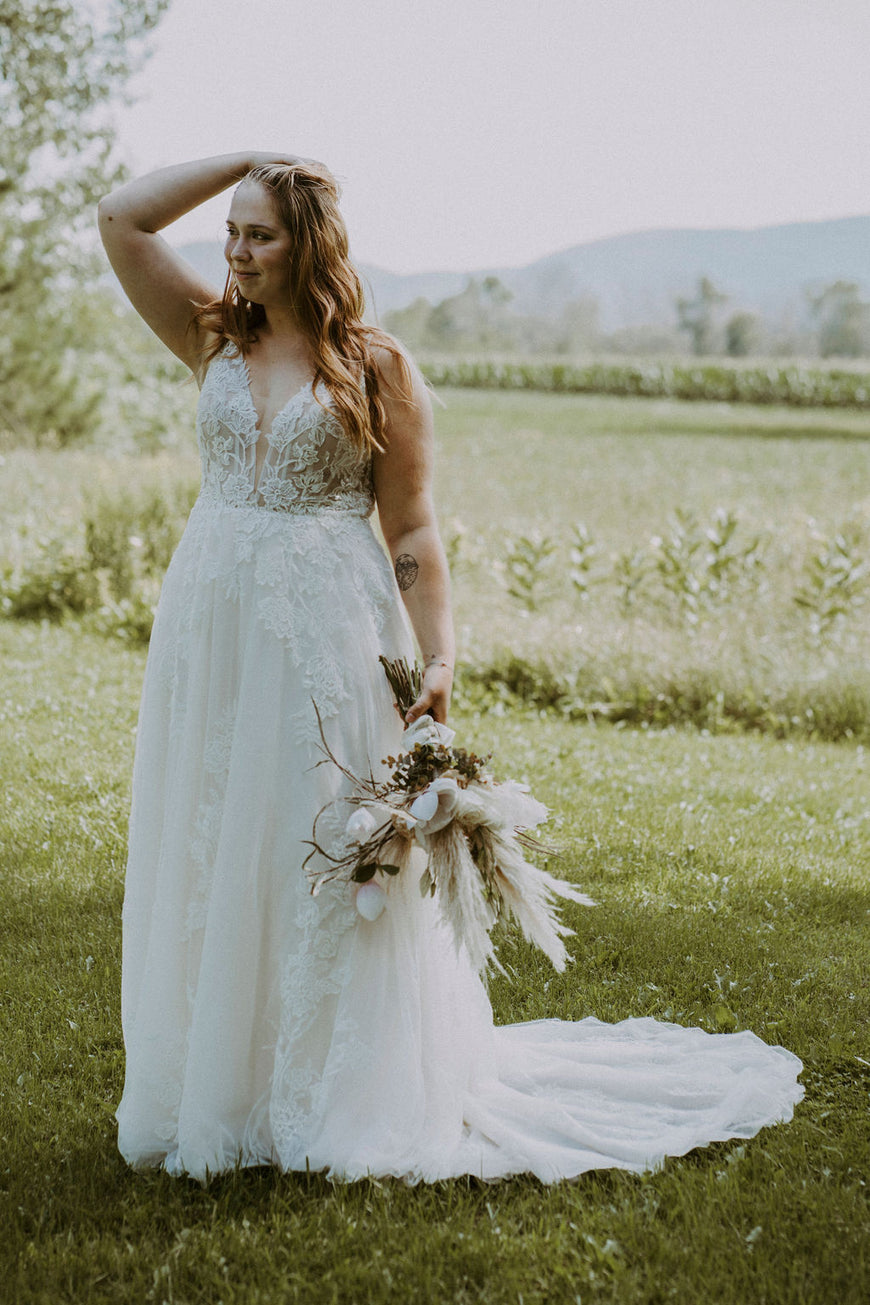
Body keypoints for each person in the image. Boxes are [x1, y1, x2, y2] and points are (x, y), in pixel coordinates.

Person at [99, 153, 803, 1182]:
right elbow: (122, 217)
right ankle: (222, 1082)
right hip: (212, 623)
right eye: (232, 231)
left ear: (312, 246)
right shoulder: (211, 332)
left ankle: (335, 1086)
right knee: (217, 832)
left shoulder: (375, 365)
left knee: (322, 843)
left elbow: (413, 525)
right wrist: (250, 157)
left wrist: (440, 654)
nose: (236, 250)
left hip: (329, 627)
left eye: (261, 233)